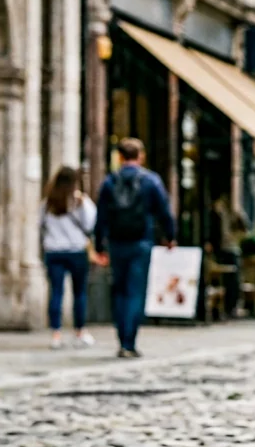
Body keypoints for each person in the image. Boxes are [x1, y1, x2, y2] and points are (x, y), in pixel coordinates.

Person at [93, 138, 177, 359]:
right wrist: (170, 236)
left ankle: (122, 339)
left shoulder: (110, 182)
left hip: (117, 242)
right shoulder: (151, 181)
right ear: (140, 156)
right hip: (141, 242)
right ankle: (129, 342)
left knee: (119, 290)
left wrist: (99, 245)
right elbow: (164, 211)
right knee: (135, 291)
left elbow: (101, 216)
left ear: (120, 157)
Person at [39, 167, 97, 350]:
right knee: (79, 292)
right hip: (76, 251)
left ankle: (56, 333)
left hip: (54, 251)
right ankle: (80, 331)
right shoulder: (80, 201)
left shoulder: (48, 202)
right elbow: (90, 223)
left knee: (56, 292)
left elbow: (39, 223)